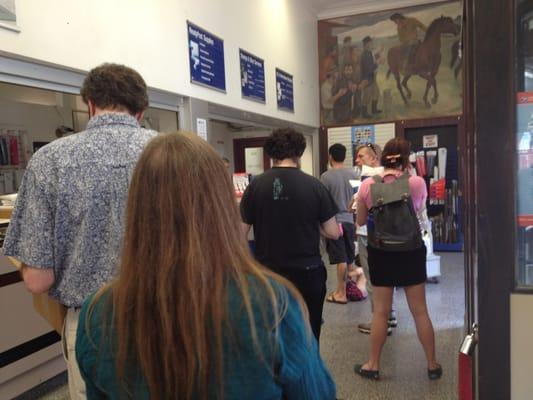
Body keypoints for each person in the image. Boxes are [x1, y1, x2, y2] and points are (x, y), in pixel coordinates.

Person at [76, 133, 337, 399]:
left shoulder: (97, 314)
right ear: (220, 204)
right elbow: (316, 394)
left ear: (137, 207)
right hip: (305, 271)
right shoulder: (272, 304)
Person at [3, 63, 157, 399]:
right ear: (141, 112)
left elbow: (37, 280)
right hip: (173, 317)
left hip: (91, 327)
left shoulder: (50, 160)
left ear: (89, 104)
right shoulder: (175, 155)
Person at [240, 128, 340, 341]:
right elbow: (333, 232)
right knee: (309, 330)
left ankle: (277, 372)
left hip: (268, 272)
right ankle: (307, 371)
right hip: (308, 271)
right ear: (300, 153)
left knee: (272, 331)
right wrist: (313, 225)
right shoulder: (315, 186)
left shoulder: (256, 186)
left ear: (271, 153)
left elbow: (240, 234)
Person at [354, 138, 441, 381]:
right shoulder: (416, 183)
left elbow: (361, 221)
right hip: (411, 251)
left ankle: (373, 365)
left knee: (380, 312)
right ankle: (432, 365)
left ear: (383, 159)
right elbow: (420, 214)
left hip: (380, 253)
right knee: (420, 311)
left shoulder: (367, 185)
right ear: (406, 158)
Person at [351, 143, 397, 336]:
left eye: (361, 156)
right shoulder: (392, 178)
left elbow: (356, 210)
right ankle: (390, 315)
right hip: (388, 234)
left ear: (374, 158)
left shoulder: (367, 181)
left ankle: (379, 320)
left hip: (367, 234)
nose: (357, 160)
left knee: (372, 279)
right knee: (387, 276)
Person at [320, 143, 358, 304]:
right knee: (350, 258)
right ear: (345, 156)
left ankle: (341, 293)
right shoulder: (354, 174)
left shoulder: (326, 176)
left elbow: (322, 201)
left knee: (341, 259)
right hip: (350, 221)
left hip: (335, 223)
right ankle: (351, 289)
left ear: (330, 156)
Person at [360, 36, 382, 118]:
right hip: (367, 79)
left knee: (376, 93)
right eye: (370, 43)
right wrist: (377, 63)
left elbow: (373, 62)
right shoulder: (365, 55)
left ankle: (374, 110)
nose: (372, 44)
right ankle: (364, 113)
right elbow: (368, 69)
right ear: (366, 44)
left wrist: (377, 61)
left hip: (372, 78)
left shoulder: (369, 53)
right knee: (367, 96)